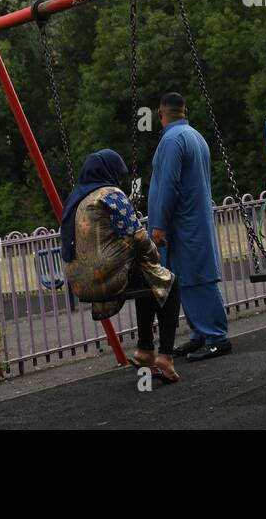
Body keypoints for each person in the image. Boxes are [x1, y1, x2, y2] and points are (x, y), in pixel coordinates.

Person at [60, 149, 181, 383]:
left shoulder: (76, 198)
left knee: (148, 284)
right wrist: (153, 251)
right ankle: (165, 355)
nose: (121, 181)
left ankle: (145, 351)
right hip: (104, 276)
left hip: (79, 281)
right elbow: (136, 235)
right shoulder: (110, 193)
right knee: (171, 283)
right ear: (111, 173)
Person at [148, 92, 232, 362]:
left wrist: (159, 225)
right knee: (188, 279)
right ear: (184, 111)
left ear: (161, 114)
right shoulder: (195, 136)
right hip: (195, 220)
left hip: (182, 225)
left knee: (196, 279)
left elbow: (169, 185)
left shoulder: (171, 141)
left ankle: (216, 337)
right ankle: (201, 334)